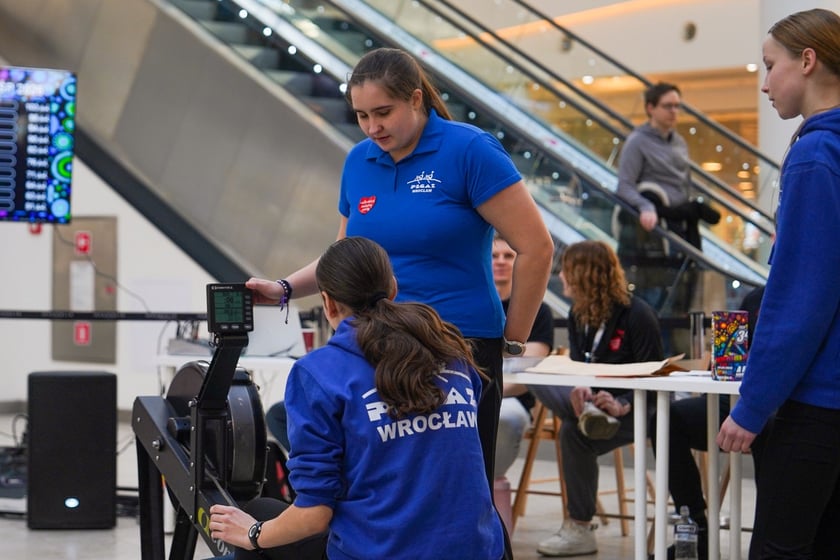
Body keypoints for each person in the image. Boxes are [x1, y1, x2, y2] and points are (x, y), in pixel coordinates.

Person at [245, 48, 554, 497]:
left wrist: (514, 339)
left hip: (458, 345)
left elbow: (537, 248)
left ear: (415, 98)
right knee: (383, 487)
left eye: (383, 112)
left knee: (460, 491)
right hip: (376, 344)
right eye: (362, 116)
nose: (373, 127)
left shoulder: (469, 150)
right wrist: (285, 287)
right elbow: (344, 256)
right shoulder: (359, 161)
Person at [209, 237, 505, 560]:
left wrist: (252, 534)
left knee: (259, 513)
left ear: (328, 303)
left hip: (385, 552)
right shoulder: (451, 351)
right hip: (480, 549)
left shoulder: (319, 372)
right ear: (393, 288)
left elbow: (314, 515)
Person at [716, 9, 840, 559]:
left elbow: (801, 295)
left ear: (807, 61)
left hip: (814, 400)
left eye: (770, 66)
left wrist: (754, 403)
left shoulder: (816, 154)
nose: (764, 84)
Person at [527, 240, 664, 557]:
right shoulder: (578, 315)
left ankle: (579, 528)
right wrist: (579, 387)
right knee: (537, 375)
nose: (561, 276)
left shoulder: (637, 315)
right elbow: (580, 366)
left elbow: (655, 380)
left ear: (585, 274)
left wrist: (622, 403)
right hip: (591, 405)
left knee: (572, 432)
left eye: (566, 270)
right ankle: (589, 413)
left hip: (636, 409)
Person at [649, 284, 765, 560]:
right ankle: (695, 529)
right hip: (737, 399)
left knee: (776, 428)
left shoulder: (811, 295)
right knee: (668, 419)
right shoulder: (755, 299)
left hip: (784, 405)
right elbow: (729, 357)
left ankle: (772, 538)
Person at [615, 82, 719, 313]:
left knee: (679, 303)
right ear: (650, 108)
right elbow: (624, 186)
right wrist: (646, 206)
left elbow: (685, 183)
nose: (674, 111)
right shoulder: (637, 141)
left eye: (677, 106)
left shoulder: (679, 142)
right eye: (667, 106)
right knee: (654, 301)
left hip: (680, 228)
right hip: (655, 234)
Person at [491, 235, 554, 522]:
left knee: (502, 417)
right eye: (495, 256)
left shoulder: (536, 310)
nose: (501, 262)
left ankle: (493, 491)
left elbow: (528, 373)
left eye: (508, 256)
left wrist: (488, 388)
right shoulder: (472, 305)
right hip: (473, 392)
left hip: (512, 399)